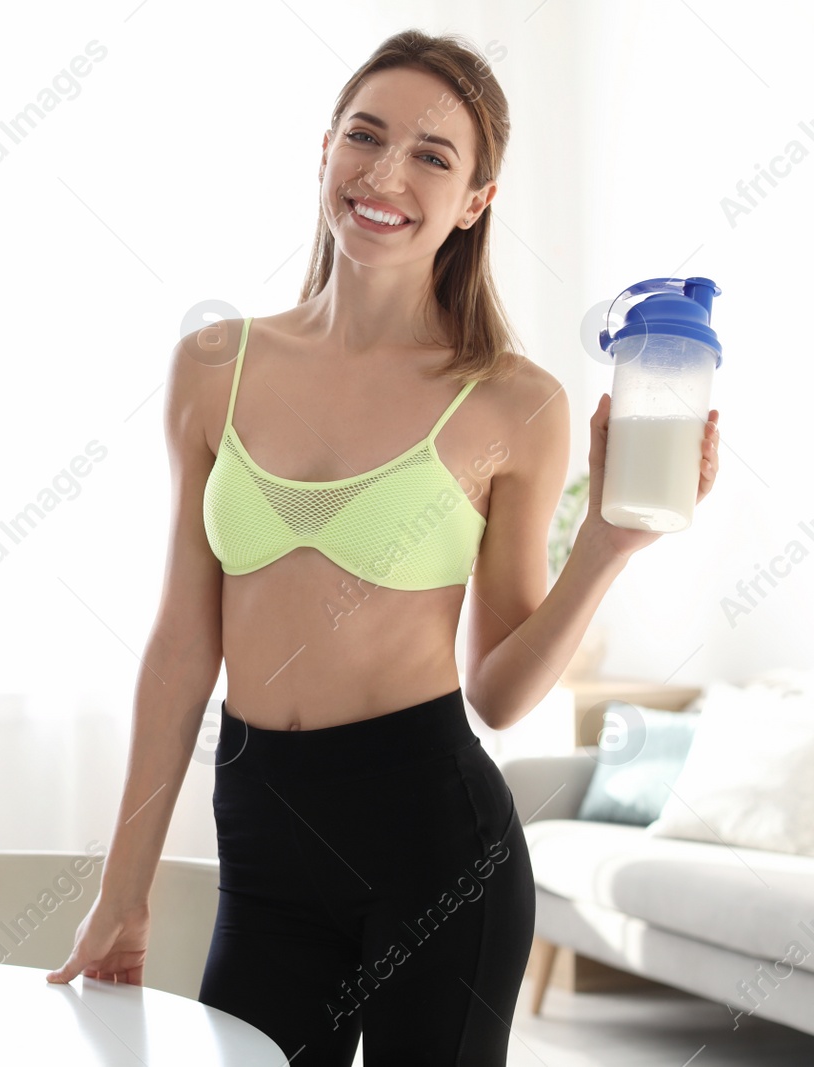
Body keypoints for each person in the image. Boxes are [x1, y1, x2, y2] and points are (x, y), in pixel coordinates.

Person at [44, 27, 722, 1066]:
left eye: (433, 156)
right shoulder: (213, 364)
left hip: (437, 849)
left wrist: (606, 543)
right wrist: (121, 890)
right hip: (263, 848)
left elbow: (494, 693)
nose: (386, 173)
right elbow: (182, 649)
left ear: (475, 201)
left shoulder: (512, 400)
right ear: (323, 150)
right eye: (365, 136)